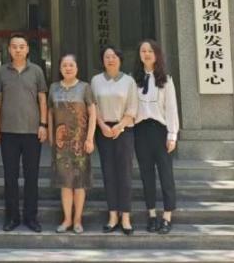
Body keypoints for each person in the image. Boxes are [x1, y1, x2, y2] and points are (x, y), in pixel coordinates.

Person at [0, 32, 48, 233]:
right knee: (10, 177)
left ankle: (31, 217)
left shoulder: (37, 71)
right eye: (14, 47)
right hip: (8, 132)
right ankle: (12, 217)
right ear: (9, 49)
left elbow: (42, 99)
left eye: (21, 46)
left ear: (27, 49)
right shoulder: (2, 72)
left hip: (32, 132)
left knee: (31, 177)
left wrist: (43, 125)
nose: (18, 50)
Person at [132, 38, 180, 234]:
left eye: (150, 51)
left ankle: (167, 216)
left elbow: (171, 108)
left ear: (157, 55)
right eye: (143, 51)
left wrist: (172, 135)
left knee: (166, 174)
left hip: (160, 131)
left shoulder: (165, 80)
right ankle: (151, 214)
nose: (146, 54)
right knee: (146, 174)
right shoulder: (133, 80)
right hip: (140, 131)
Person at [90, 45, 138, 234]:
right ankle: (112, 215)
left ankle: (125, 216)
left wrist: (119, 126)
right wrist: (102, 126)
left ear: (120, 59)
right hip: (103, 131)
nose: (110, 59)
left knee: (124, 173)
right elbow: (93, 106)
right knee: (108, 173)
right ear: (102, 60)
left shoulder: (129, 81)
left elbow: (133, 108)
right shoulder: (96, 80)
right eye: (107, 57)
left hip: (124, 130)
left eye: (114, 56)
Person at [48, 53, 96, 234]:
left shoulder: (85, 87)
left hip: (80, 142)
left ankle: (77, 220)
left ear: (77, 68)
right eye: (64, 65)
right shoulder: (54, 88)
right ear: (60, 68)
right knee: (65, 183)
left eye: (71, 65)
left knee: (79, 183)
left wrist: (90, 138)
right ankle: (67, 219)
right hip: (61, 144)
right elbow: (50, 113)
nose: (68, 68)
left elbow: (93, 114)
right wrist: (51, 137)